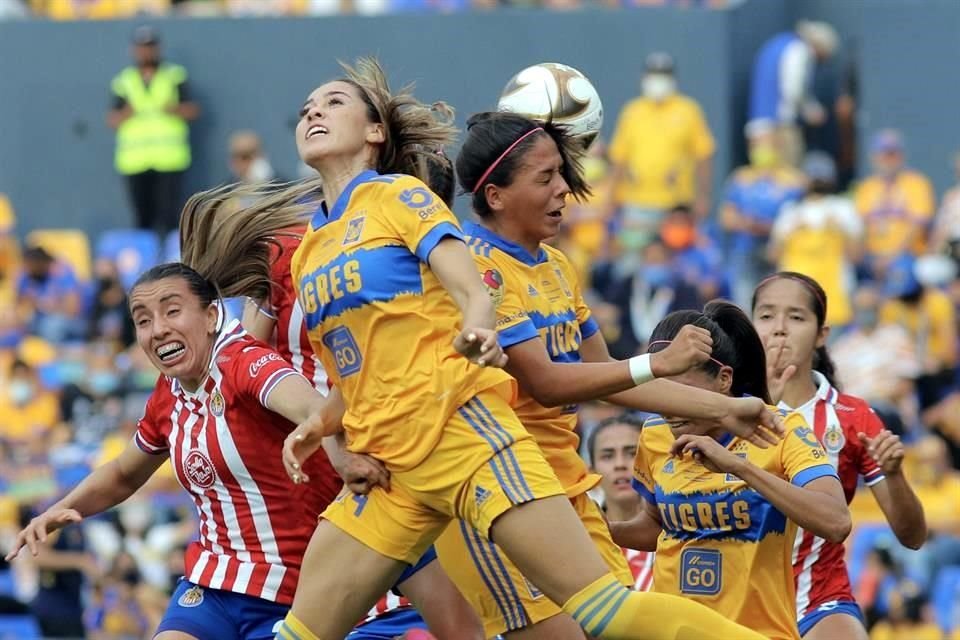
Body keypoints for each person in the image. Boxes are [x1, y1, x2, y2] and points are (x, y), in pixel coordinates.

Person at [193, 57, 773, 640]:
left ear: (375, 133)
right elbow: (355, 370)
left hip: (466, 442)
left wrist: (476, 325)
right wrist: (321, 428)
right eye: (307, 108)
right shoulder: (309, 251)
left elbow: (473, 292)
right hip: (393, 467)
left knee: (604, 616)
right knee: (298, 634)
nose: (314, 111)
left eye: (335, 102)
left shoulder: (399, 197)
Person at [438, 111, 786, 640]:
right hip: (505, 490)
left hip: (565, 484)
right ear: (496, 197)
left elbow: (610, 378)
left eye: (561, 173)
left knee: (624, 625)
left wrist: (726, 407)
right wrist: (659, 362)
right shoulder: (479, 269)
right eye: (545, 178)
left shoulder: (555, 266)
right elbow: (548, 383)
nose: (564, 190)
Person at [178, 137, 485, 640]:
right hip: (318, 446)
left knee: (450, 614)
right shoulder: (296, 253)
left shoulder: (446, 269)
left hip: (401, 443)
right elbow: (247, 357)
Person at [4, 262, 385, 640]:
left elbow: (313, 409)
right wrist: (61, 510)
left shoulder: (244, 361)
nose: (159, 329)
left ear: (211, 315)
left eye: (172, 311)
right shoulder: (167, 393)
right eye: (143, 320)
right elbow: (124, 472)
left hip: (292, 590)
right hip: (214, 584)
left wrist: (341, 453)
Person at [609, 301, 850, 640]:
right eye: (661, 392)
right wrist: (601, 528)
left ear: (724, 380)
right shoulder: (653, 435)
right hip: (673, 632)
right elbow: (656, 528)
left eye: (683, 392)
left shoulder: (782, 429)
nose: (670, 408)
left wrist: (737, 466)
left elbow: (836, 521)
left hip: (757, 632)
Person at [751, 272, 927, 640]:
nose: (779, 329)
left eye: (796, 317)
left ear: (821, 335)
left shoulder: (854, 417)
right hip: (736, 598)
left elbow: (912, 537)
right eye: (766, 316)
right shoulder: (719, 405)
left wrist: (894, 476)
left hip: (819, 600)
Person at [606, 51, 715, 251]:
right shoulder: (633, 111)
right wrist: (611, 198)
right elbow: (619, 158)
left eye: (663, 75)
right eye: (653, 74)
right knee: (633, 259)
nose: (658, 80)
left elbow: (703, 155)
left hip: (676, 203)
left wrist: (703, 196)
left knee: (677, 258)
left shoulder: (688, 110)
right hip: (637, 202)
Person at [107, 26, 200, 235]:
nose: (146, 52)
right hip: (135, 160)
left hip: (169, 158)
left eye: (150, 46)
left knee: (170, 218)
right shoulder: (125, 81)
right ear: (134, 50)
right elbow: (112, 119)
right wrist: (125, 113)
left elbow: (193, 110)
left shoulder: (174, 76)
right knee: (142, 219)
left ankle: (170, 261)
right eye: (142, 47)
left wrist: (174, 109)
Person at [768, 151, 862, 327]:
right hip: (795, 300)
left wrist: (841, 231)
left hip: (834, 302)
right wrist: (788, 234)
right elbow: (773, 256)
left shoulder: (843, 209)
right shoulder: (791, 211)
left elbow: (856, 257)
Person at [720, 119, 805, 308]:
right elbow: (726, 218)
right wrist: (748, 224)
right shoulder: (741, 178)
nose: (762, 149)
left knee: (779, 305)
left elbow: (800, 219)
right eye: (758, 144)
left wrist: (772, 227)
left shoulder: (794, 180)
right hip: (745, 251)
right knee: (744, 305)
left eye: (768, 143)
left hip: (778, 251)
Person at [748, 20, 838, 167]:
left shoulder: (778, 44)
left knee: (765, 181)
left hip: (758, 128)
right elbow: (793, 89)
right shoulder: (799, 49)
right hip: (780, 129)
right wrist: (811, 111)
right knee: (789, 178)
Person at [585, 414, 654, 592]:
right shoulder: (581, 539)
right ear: (591, 472)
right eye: (607, 456)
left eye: (632, 453)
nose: (620, 464)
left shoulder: (676, 533)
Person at [853, 130, 934, 276]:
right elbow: (860, 228)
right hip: (872, 257)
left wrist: (892, 257)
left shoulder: (916, 183)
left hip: (909, 257)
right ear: (874, 157)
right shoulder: (866, 187)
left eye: (893, 154)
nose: (889, 160)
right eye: (884, 155)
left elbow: (917, 227)